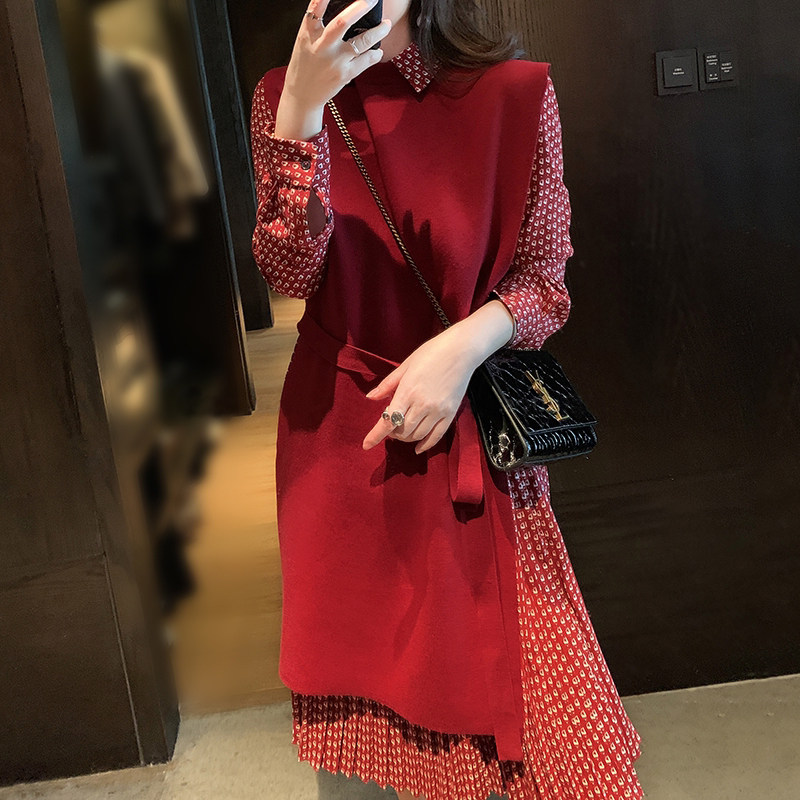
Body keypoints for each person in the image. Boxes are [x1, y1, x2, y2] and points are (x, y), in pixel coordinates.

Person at [249, 1, 645, 798]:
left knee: (553, 740)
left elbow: (545, 284)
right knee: (377, 715)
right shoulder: (281, 95)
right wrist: (300, 110)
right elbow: (291, 273)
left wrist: (457, 350)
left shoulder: (514, 92)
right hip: (343, 444)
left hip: (473, 444)